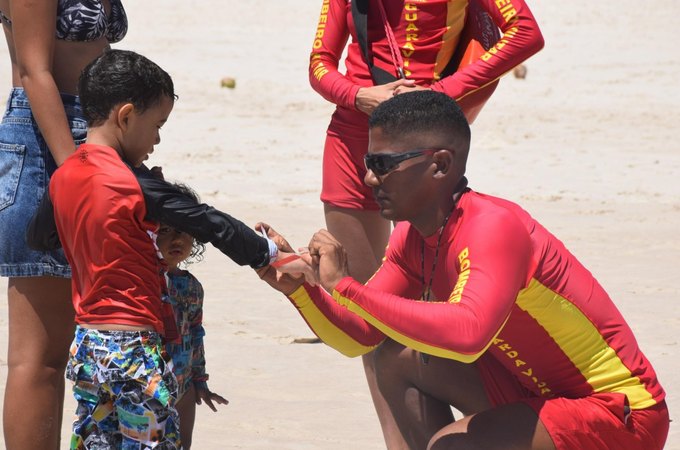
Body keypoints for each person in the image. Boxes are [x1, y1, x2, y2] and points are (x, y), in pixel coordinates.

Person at [259, 90, 669, 450]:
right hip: (530, 392)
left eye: (383, 164)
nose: (368, 177)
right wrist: (302, 290)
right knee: (393, 357)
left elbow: (469, 336)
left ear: (440, 164)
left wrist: (346, 287)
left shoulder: (493, 226)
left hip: (619, 412)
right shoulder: (412, 237)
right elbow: (358, 338)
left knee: (453, 445)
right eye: (368, 161)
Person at [27, 49, 292, 448]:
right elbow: (208, 221)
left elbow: (40, 238)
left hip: (88, 348)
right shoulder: (133, 183)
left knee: (97, 441)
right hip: (134, 347)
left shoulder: (64, 177)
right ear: (127, 115)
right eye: (157, 124)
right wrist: (268, 253)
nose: (157, 138)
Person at [309, 1, 544, 445]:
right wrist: (357, 94)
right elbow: (320, 63)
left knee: (431, 300)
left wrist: (442, 93)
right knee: (360, 303)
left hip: (422, 139)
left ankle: (477, 430)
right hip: (352, 135)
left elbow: (526, 34)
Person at [0, 0, 127, 448]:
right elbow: (36, 71)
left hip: (93, 133)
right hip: (50, 140)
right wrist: (75, 169)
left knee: (79, 343)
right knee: (40, 356)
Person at [156, 183, 228, 449]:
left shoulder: (192, 287)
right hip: (149, 383)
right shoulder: (143, 281)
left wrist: (199, 380)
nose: (177, 239)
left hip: (184, 385)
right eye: (165, 231)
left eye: (184, 231)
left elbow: (196, 334)